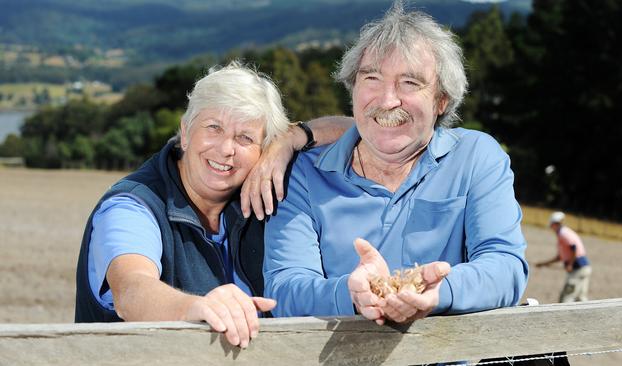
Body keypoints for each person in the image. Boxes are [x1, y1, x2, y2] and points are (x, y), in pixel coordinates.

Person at [263, 1, 528, 324]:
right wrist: (351, 293)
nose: (388, 100)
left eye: (410, 83)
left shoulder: (475, 157)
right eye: (372, 78)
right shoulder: (305, 174)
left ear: (441, 100)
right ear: (353, 89)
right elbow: (284, 288)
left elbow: (506, 267)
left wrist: (441, 292)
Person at [74, 61, 350, 348]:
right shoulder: (132, 205)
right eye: (213, 128)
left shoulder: (261, 188)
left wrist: (293, 139)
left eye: (245, 138)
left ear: (263, 150)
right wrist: (194, 308)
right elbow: (132, 291)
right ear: (185, 131)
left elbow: (361, 131)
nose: (226, 149)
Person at [536, 211, 592, 303]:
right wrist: (543, 264)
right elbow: (560, 257)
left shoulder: (563, 234)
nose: (551, 228)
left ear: (555, 224)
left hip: (577, 269)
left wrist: (570, 264)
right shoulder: (564, 233)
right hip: (584, 267)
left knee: (567, 297)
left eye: (552, 225)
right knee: (581, 298)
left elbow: (574, 247)